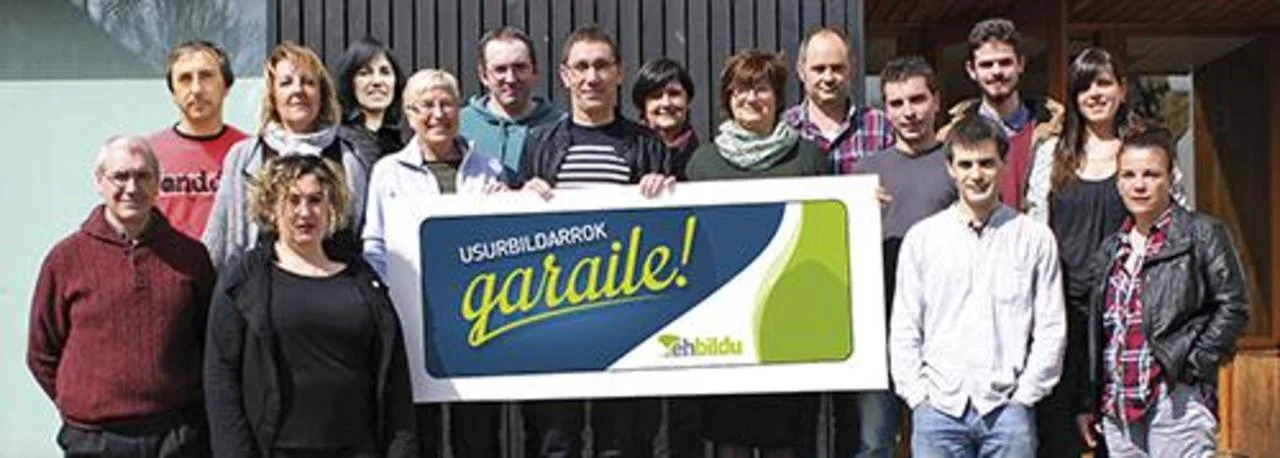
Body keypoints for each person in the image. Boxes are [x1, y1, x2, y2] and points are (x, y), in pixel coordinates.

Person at [517, 24, 671, 458]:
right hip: (553, 317)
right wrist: (520, 196)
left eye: (602, 66)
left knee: (623, 443)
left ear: (619, 73)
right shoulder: (539, 143)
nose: (591, 77)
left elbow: (671, 236)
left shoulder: (647, 145)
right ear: (564, 75)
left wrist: (665, 191)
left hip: (627, 318)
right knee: (554, 442)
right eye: (581, 67)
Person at [204, 154, 416, 458]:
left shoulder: (361, 277)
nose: (305, 212)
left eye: (316, 200)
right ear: (271, 207)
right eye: (292, 200)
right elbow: (221, 376)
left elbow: (394, 374)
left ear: (331, 207)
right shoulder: (244, 279)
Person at [28, 135, 216, 457]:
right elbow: (41, 350)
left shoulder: (191, 257)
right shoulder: (65, 259)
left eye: (143, 176)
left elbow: (212, 343)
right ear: (99, 182)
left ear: (157, 183)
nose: (132, 188)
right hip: (95, 439)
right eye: (120, 176)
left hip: (178, 436)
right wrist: (80, 403)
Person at [889, 116, 1065, 457]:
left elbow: (1051, 327)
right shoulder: (923, 239)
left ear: (1003, 164)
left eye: (986, 163)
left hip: (1007, 411)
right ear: (950, 169)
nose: (976, 174)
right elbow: (905, 326)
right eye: (965, 164)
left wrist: (1025, 395)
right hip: (938, 410)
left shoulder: (1034, 238)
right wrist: (918, 396)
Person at [687, 49, 830, 458]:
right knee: (730, 444)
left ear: (778, 96)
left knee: (785, 445)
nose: (750, 98)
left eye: (761, 89)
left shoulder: (807, 158)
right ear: (727, 98)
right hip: (725, 331)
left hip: (790, 329)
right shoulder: (703, 163)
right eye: (740, 90)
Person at [1074, 125, 1249, 457]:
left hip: (1175, 400)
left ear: (1170, 178)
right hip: (1118, 407)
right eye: (1129, 175)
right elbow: (1098, 333)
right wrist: (1088, 399)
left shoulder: (1201, 235)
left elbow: (1233, 306)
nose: (1139, 185)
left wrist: (1193, 367)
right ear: (1118, 182)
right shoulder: (1111, 249)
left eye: (1151, 174)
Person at [362, 69, 506, 458]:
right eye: (426, 105)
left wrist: (506, 204)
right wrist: (396, 299)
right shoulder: (387, 171)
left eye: (446, 103)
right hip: (412, 321)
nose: (438, 114)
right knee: (418, 432)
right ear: (410, 114)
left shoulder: (489, 169)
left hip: (478, 322)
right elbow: (374, 245)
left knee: (477, 437)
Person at [846, 55, 956, 458]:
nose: (908, 112)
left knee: (938, 441)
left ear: (936, 101)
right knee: (874, 442)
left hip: (943, 326)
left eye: (917, 99)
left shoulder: (957, 166)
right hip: (878, 326)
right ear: (886, 110)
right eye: (897, 103)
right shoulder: (864, 172)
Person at [203, 42, 368, 270]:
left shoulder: (349, 158)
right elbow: (218, 237)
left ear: (322, 93)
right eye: (286, 82)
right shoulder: (244, 157)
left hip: (332, 284)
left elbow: (362, 237)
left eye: (308, 82)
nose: (298, 90)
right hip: (261, 285)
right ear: (273, 95)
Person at [939, 17, 1065, 223]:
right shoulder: (950, 138)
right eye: (986, 65)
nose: (996, 72)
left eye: (1005, 62)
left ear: (1020, 64)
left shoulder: (1056, 133)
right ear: (971, 70)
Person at [149, 40, 248, 240]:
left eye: (206, 76)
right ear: (173, 92)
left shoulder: (249, 152)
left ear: (226, 86)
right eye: (185, 79)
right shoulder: (147, 153)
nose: (196, 89)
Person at [783, 26, 894, 175]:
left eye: (837, 68)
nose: (828, 78)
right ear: (801, 72)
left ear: (851, 69)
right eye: (819, 69)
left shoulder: (880, 126)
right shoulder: (783, 129)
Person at [460, 26, 565, 181]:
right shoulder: (459, 127)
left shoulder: (561, 127)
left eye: (519, 67)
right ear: (483, 76)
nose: (511, 79)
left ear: (535, 71)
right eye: (500, 69)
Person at [334, 36, 409, 166]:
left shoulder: (405, 145)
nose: (377, 81)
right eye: (364, 73)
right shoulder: (336, 144)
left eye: (385, 72)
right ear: (349, 83)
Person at [632, 57, 699, 180]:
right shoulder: (628, 153)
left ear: (687, 100)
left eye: (674, 94)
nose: (666, 103)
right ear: (643, 105)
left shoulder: (703, 157)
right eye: (656, 96)